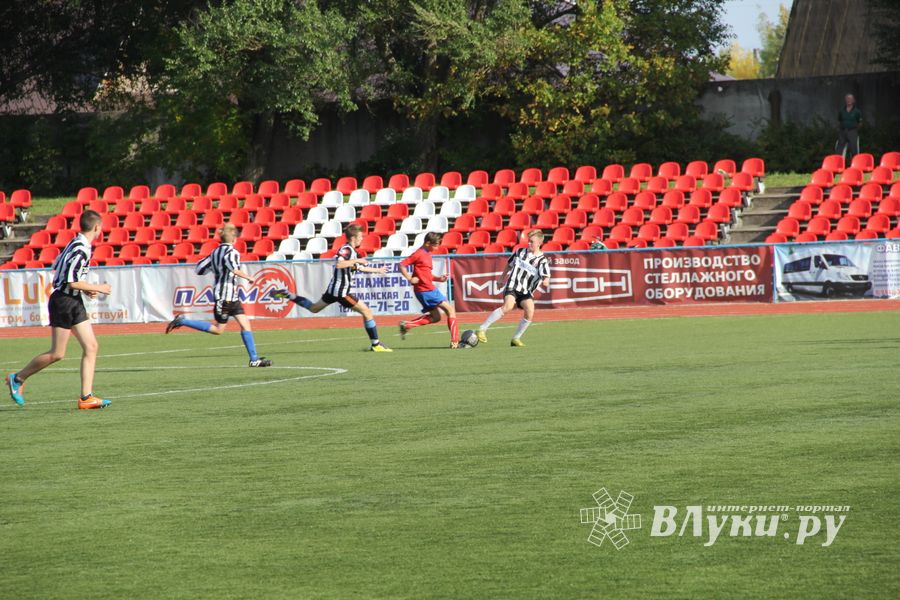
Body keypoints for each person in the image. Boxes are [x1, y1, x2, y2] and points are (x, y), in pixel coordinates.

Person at [6, 210, 112, 409]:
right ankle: (18, 378)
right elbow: (71, 282)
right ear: (97, 227)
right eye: (101, 227)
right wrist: (98, 288)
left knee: (91, 346)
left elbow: (62, 271)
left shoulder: (77, 243)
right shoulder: (81, 248)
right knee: (57, 353)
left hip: (71, 300)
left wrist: (85, 290)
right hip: (64, 301)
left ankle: (86, 397)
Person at [165, 223, 272, 367]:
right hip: (224, 296)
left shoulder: (215, 253)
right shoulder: (232, 252)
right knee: (218, 330)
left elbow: (199, 269)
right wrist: (249, 277)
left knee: (246, 324)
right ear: (234, 240)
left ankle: (254, 359)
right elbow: (234, 269)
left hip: (231, 296)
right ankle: (182, 321)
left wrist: (216, 269)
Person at [273, 224, 393, 352]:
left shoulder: (352, 252)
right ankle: (376, 344)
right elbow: (339, 264)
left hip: (334, 290)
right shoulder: (346, 250)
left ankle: (287, 294)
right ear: (353, 237)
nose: (361, 239)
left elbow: (359, 267)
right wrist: (356, 261)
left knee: (314, 308)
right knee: (367, 312)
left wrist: (377, 270)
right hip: (341, 292)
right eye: (360, 237)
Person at [476, 229, 551, 347]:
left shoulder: (542, 260)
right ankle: (482, 329)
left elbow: (545, 275)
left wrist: (546, 281)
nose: (529, 244)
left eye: (532, 242)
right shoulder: (520, 252)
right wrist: (501, 278)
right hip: (512, 285)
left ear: (539, 243)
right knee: (508, 306)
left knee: (530, 311)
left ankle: (515, 339)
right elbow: (509, 265)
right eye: (529, 241)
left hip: (526, 291)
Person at [397, 231, 460, 348]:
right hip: (426, 290)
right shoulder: (419, 253)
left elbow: (426, 274)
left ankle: (407, 325)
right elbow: (401, 265)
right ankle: (455, 341)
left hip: (425, 289)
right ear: (427, 243)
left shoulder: (426, 253)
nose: (437, 247)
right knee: (450, 310)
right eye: (435, 245)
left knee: (436, 317)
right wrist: (409, 278)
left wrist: (438, 278)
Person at [836, 94, 862, 161]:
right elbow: (839, 121)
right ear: (845, 100)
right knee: (839, 149)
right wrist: (840, 130)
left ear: (853, 100)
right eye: (847, 99)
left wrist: (855, 130)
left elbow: (860, 123)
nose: (849, 100)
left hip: (852, 131)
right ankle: (838, 165)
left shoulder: (857, 111)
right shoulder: (841, 111)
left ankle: (854, 165)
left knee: (853, 149)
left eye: (850, 99)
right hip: (842, 131)